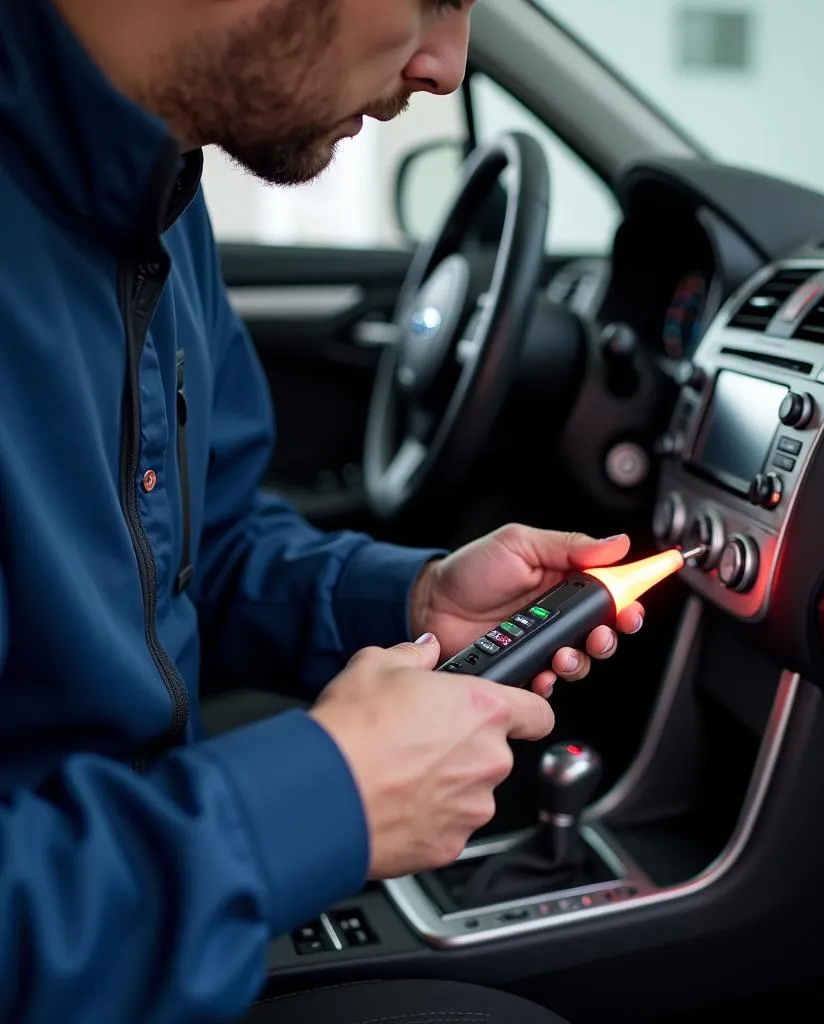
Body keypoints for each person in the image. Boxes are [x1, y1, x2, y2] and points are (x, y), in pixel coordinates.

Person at [0, 1, 644, 1021]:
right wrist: (315, 803)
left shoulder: (158, 193)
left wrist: (409, 598)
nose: (445, 65)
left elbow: (198, 546)